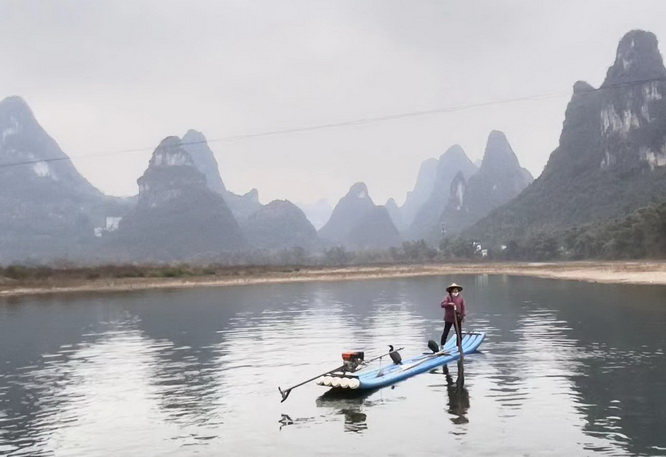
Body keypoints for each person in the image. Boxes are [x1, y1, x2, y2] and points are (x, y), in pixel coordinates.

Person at [440, 282, 466, 348]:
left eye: (456, 289)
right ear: (451, 290)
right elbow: (442, 304)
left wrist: (463, 316)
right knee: (446, 331)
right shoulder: (448, 297)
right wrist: (449, 304)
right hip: (449, 318)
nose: (455, 291)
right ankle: (442, 345)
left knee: (458, 332)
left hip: (457, 317)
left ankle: (459, 346)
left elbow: (462, 307)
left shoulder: (460, 298)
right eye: (454, 289)